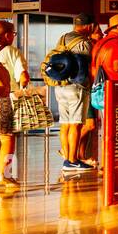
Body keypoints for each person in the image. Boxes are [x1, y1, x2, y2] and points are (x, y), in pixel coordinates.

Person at [43, 13, 95, 173]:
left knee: (65, 124)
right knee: (76, 124)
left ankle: (68, 158)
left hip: (60, 85)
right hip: (76, 87)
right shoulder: (84, 43)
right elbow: (85, 68)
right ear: (90, 26)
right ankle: (72, 160)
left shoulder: (63, 38)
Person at [0, 19, 29, 188]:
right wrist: (24, 85)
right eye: (14, 34)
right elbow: (22, 76)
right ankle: (4, 175)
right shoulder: (12, 51)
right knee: (7, 138)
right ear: (8, 35)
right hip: (4, 98)